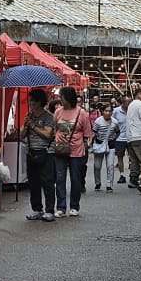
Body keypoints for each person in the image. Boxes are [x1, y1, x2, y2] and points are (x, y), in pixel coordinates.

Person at [53, 86, 90, 216]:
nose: (60, 100)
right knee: (60, 178)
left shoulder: (82, 113)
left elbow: (86, 133)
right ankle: (61, 207)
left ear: (68, 98)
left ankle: (74, 206)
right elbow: (54, 128)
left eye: (61, 97)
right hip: (60, 149)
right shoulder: (58, 112)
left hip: (76, 150)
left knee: (75, 179)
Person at [23, 88, 58, 223]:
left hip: (46, 153)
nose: (30, 103)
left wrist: (33, 126)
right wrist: (26, 126)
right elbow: (22, 136)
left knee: (47, 182)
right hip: (31, 152)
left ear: (39, 102)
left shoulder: (48, 117)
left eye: (32, 100)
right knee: (33, 183)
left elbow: (48, 134)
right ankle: (37, 209)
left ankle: (49, 210)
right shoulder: (29, 116)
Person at [125, 85, 141, 193]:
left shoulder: (131, 104)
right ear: (138, 94)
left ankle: (133, 179)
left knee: (134, 159)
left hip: (131, 136)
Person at [90, 102, 116, 190]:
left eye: (110, 111)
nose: (108, 113)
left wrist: (113, 139)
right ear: (102, 111)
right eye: (106, 111)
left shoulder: (115, 122)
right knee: (97, 166)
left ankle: (109, 184)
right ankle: (97, 182)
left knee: (110, 165)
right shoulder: (98, 121)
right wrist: (91, 141)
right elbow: (94, 132)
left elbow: (118, 132)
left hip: (110, 145)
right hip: (99, 144)